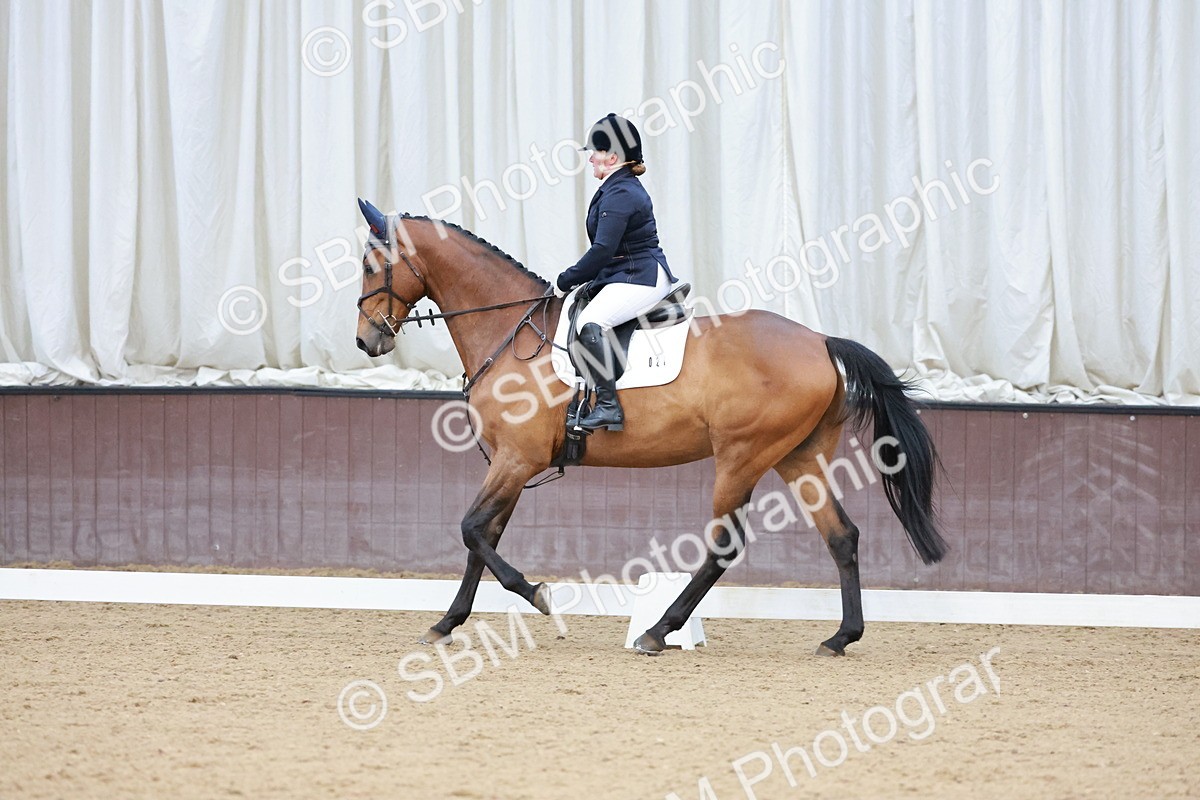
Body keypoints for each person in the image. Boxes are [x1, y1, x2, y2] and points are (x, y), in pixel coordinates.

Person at [555, 113, 679, 431]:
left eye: (594, 153)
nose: (591, 159)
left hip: (641, 276)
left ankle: (609, 406)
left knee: (590, 321)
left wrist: (566, 278)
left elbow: (602, 251)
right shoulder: (616, 188)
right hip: (627, 272)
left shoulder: (622, 193)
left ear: (612, 157)